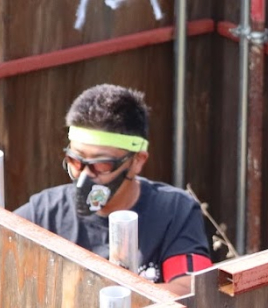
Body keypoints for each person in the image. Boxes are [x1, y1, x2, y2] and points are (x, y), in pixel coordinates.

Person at [14, 84, 211, 292]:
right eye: (75, 161)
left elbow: (190, 292)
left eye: (101, 165)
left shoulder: (174, 211)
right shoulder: (45, 212)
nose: (85, 177)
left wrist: (113, 298)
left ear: (137, 161)